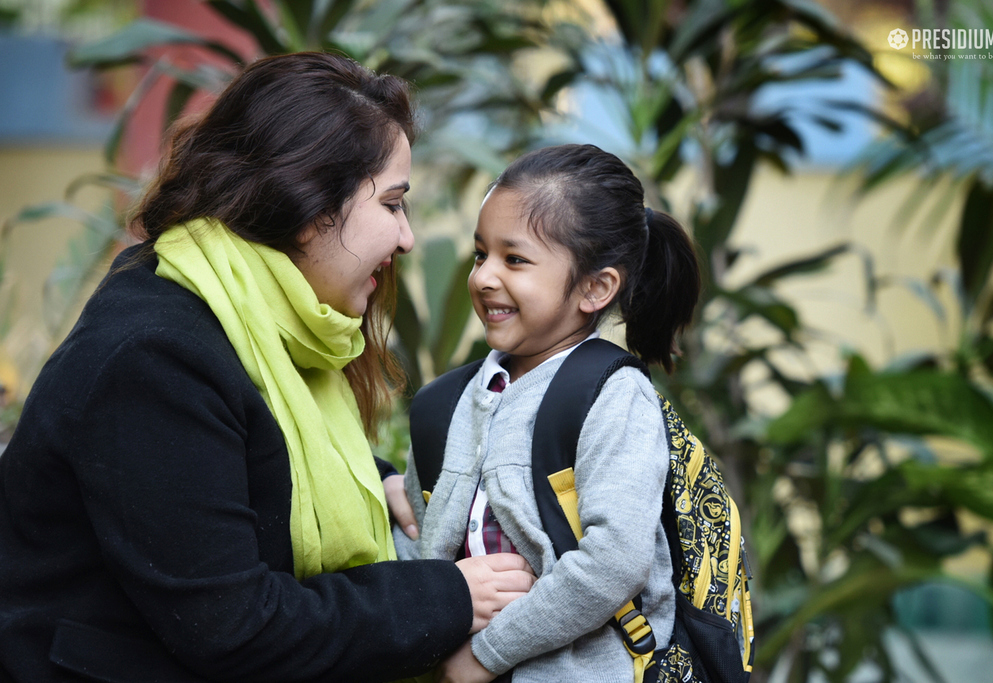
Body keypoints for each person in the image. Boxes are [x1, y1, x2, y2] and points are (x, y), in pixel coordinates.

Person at [0, 52, 534, 683]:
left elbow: (252, 468)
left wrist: (379, 483)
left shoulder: (259, 313)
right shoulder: (156, 356)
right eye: (392, 204)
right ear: (309, 203)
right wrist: (449, 596)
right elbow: (234, 628)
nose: (407, 238)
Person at [395, 143, 702, 683]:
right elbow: (420, 542)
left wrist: (486, 655)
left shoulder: (613, 395)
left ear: (595, 287)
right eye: (480, 254)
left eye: (515, 259)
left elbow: (614, 562)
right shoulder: (446, 404)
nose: (485, 277)